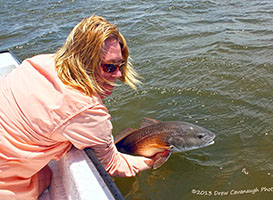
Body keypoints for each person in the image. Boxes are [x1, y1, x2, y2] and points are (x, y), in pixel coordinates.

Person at [0, 15, 167, 199]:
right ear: (84, 62)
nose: (119, 74)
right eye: (109, 67)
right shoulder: (87, 110)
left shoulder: (39, 62)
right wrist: (151, 161)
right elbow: (112, 164)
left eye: (121, 65)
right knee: (44, 179)